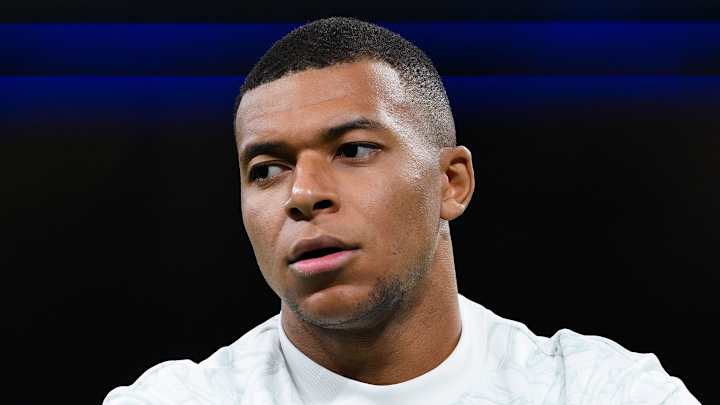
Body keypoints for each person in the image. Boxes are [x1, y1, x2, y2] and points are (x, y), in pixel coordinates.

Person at [104, 17, 700, 405]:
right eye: (267, 169)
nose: (302, 194)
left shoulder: (600, 391)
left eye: (353, 150)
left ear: (451, 183)